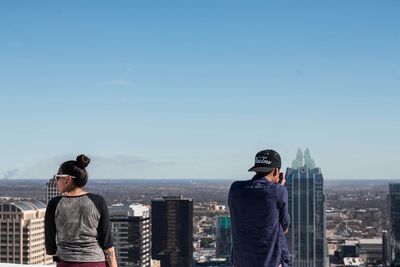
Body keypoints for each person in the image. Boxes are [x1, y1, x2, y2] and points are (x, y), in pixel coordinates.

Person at [45, 154, 118, 267]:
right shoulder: (98, 201)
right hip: (96, 262)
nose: (56, 181)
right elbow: (107, 243)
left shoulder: (55, 204)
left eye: (57, 177)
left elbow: (50, 246)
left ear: (67, 179)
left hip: (67, 263)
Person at [228, 149, 290, 267]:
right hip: (269, 262)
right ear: (276, 170)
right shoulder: (278, 191)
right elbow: (284, 228)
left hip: (241, 262)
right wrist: (279, 187)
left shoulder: (235, 189)